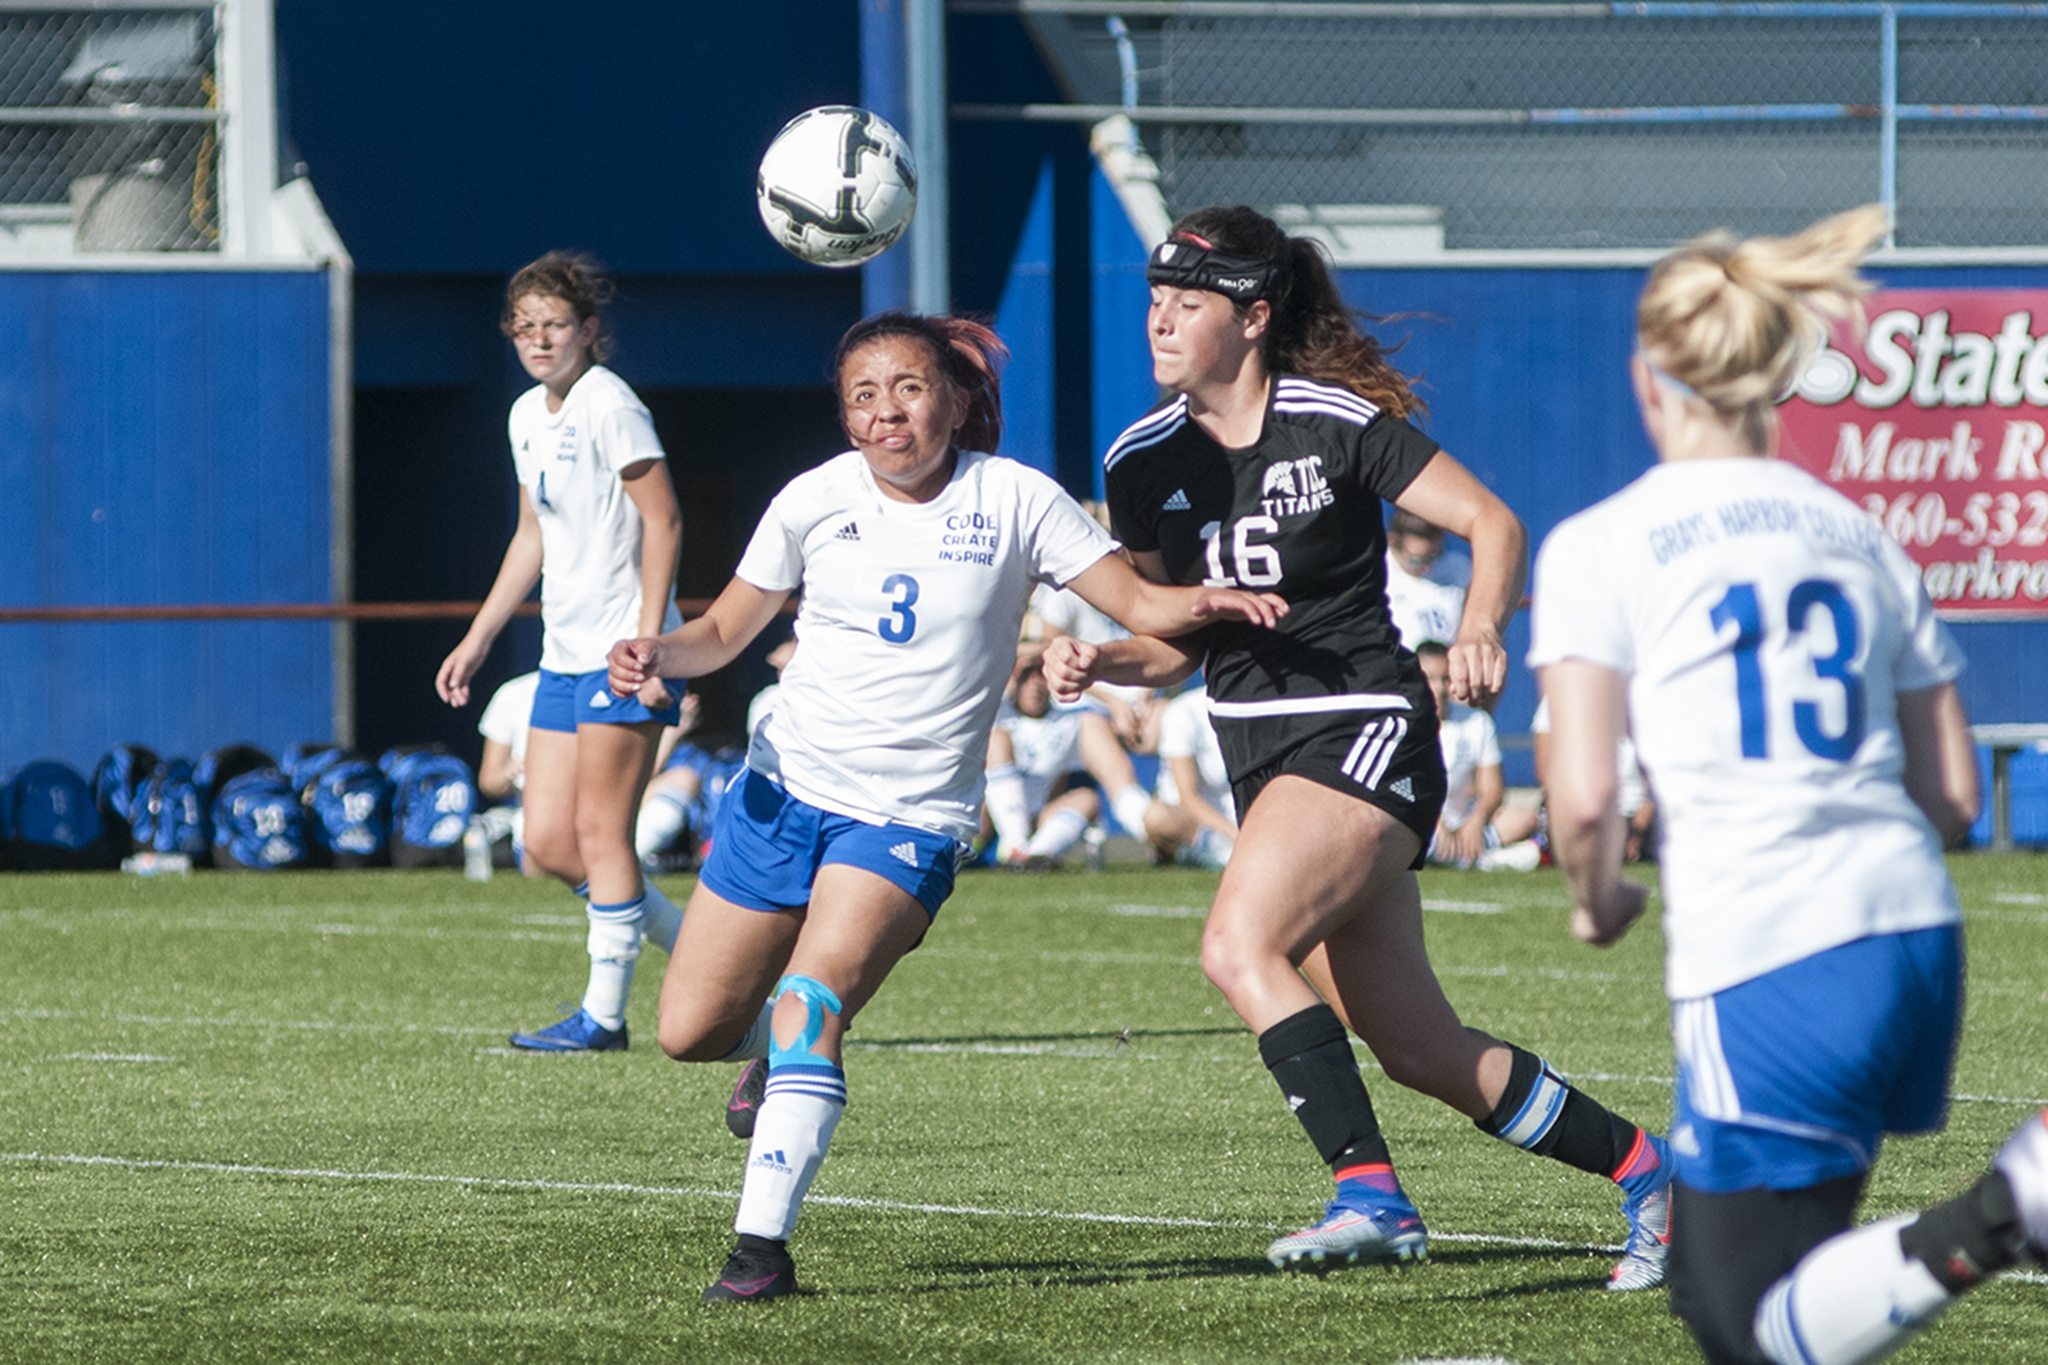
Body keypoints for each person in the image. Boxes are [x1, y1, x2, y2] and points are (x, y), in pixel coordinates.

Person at [1043, 204, 1675, 1287]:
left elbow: (1493, 525)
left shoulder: (1331, 421)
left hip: (1363, 728)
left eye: (1183, 305)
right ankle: (1656, 1178)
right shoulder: (1140, 458)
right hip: (1259, 759)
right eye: (1152, 302)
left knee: (1237, 947)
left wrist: (1478, 625)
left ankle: (1367, 1195)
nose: (1156, 322)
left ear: (1249, 318)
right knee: (1420, 1050)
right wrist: (1107, 663)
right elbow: (1174, 635)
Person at [603, 310, 1286, 1303]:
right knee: (689, 1032)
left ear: (957, 402)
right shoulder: (812, 500)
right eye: (864, 396)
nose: (888, 412)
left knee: (810, 1003)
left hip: (905, 818)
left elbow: (1140, 607)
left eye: (910, 388)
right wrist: (654, 654)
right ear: (844, 417)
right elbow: (720, 631)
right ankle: (769, 1063)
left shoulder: (1013, 498)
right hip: (778, 791)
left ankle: (758, 1256)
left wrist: (1218, 595)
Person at [1533, 204, 2047, 1364]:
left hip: (1768, 946)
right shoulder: (1857, 532)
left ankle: (2011, 1201)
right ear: (1776, 372)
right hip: (1910, 930)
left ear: (1645, 377)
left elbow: (1577, 801)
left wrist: (1594, 897)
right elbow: (1955, 794)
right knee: (1788, 1299)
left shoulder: (1603, 542)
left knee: (1740, 1323)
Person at [435, 250, 687, 1052]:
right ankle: (703, 950)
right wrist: (477, 638)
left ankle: (604, 1017)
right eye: (525, 326)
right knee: (545, 841)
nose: (540, 339)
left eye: (556, 325)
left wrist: (649, 641)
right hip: (562, 652)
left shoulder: (611, 405)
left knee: (603, 834)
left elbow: (666, 519)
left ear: (589, 330)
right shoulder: (522, 416)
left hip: (621, 652)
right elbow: (531, 533)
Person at [984, 648, 1103, 868]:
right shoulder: (995, 710)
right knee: (996, 740)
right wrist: (1037, 650)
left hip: (1041, 815)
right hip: (990, 815)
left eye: (1043, 676)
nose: (1035, 684)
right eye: (1027, 677)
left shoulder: (1070, 716)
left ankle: (1037, 855)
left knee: (1087, 798)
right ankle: (1015, 845)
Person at [1412, 641, 1521, 869]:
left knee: (1523, 818)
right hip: (1422, 822)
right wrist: (1434, 823)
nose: (1439, 688)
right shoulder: (1403, 723)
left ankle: (1456, 855)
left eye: (1445, 679)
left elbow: (1492, 790)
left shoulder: (1476, 721)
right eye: (1429, 678)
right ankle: (1479, 860)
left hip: (1464, 824)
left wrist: (1477, 821)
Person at [1141, 682, 1237, 868]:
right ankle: (1208, 851)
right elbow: (1188, 796)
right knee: (1157, 817)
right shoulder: (1183, 711)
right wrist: (1235, 835)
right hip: (1204, 823)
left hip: (1253, 818)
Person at [1384, 508, 1469, 652]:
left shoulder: (1459, 569)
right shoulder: (1376, 575)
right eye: (1416, 560)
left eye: (1434, 556)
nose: (1427, 566)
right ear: (1392, 541)